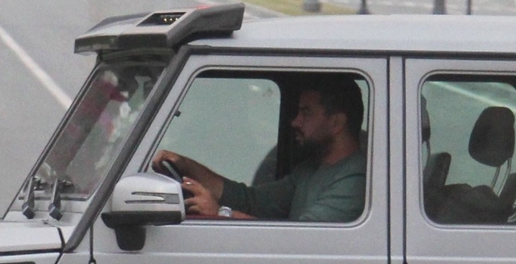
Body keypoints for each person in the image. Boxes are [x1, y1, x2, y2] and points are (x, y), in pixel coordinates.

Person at [153, 75, 366, 222]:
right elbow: (252, 202)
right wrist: (187, 166)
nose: (295, 122)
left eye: (306, 113)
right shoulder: (309, 171)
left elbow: (302, 239)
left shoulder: (356, 179)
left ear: (336, 123)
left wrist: (220, 214)